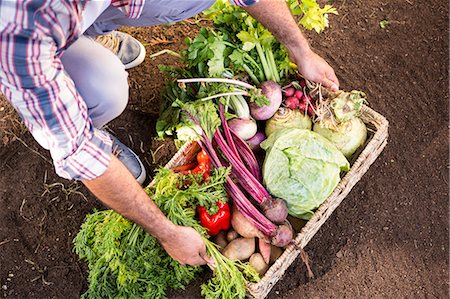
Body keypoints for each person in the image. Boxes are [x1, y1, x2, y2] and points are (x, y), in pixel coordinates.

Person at [0, 0, 339, 267]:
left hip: (72, 15)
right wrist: (166, 232)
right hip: (36, 39)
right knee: (105, 89)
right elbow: (78, 151)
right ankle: (81, 64)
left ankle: (92, 29)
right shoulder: (18, 28)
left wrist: (300, 49)